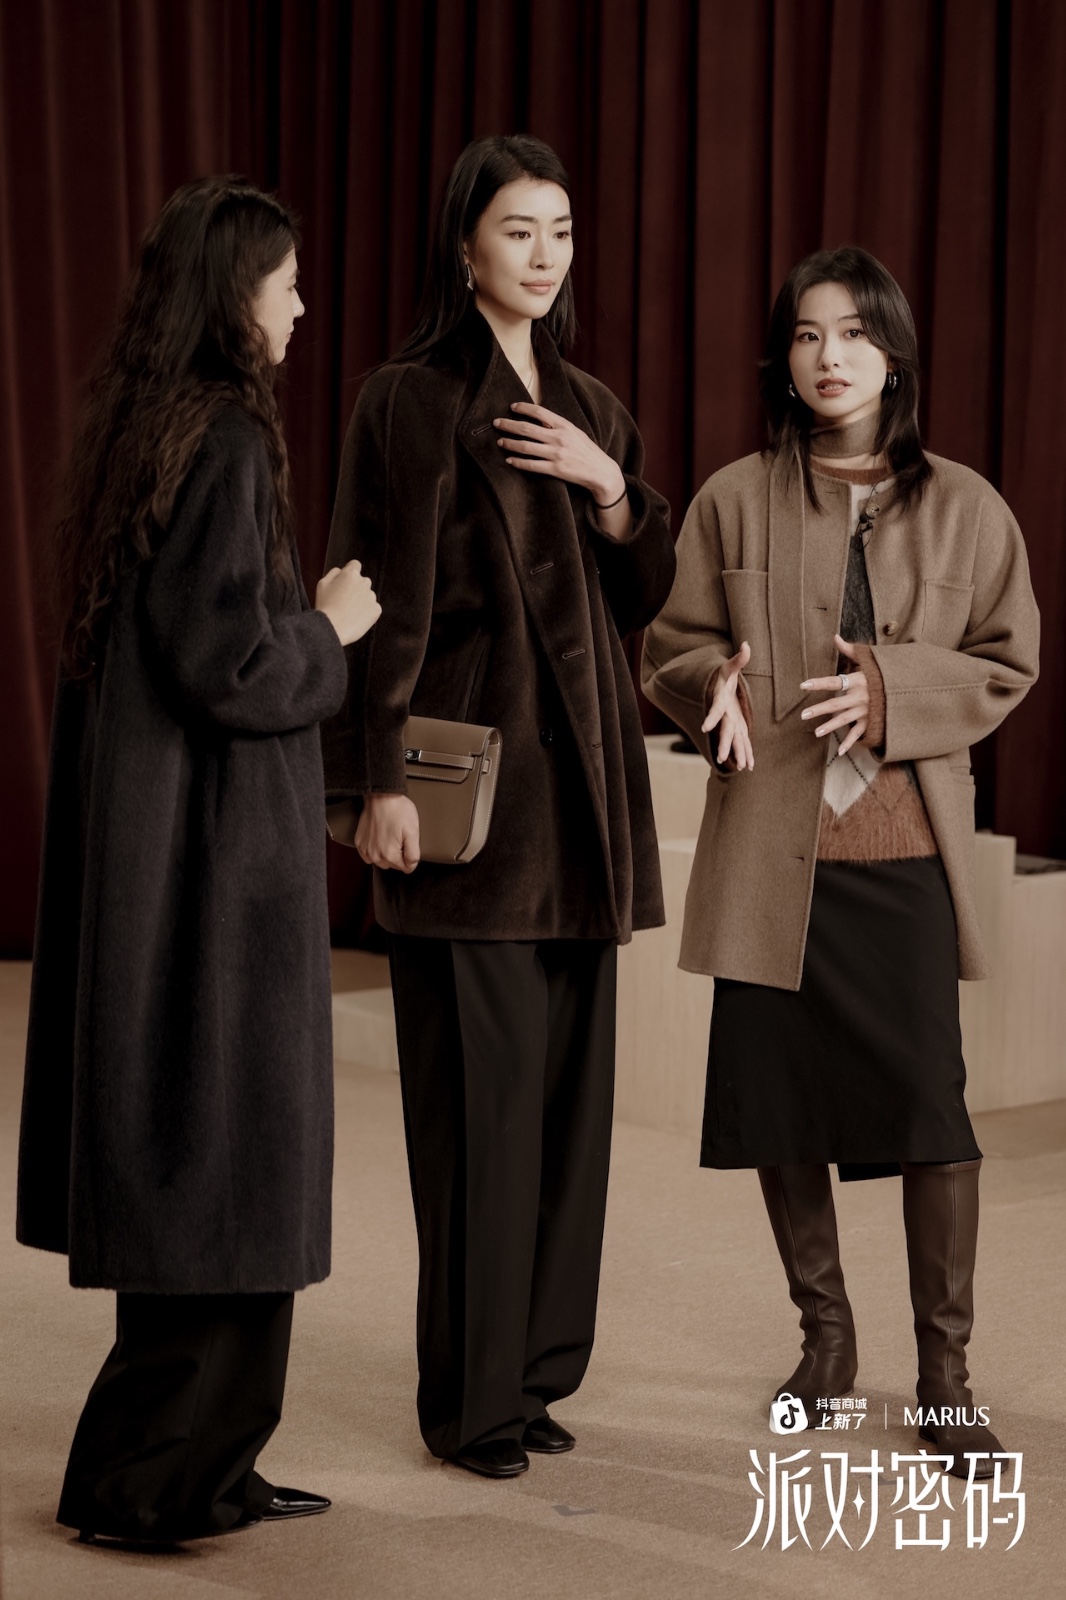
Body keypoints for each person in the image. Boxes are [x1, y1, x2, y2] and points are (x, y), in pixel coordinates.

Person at [16, 175, 381, 1542]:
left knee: (213, 1176)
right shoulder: (223, 439)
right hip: (216, 874)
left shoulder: (150, 428)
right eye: (284, 283)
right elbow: (226, 663)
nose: (301, 304)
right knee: (221, 1171)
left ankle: (211, 1466)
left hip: (177, 858)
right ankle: (147, 1483)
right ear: (235, 296)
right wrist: (330, 629)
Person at [642, 247, 1039, 1478]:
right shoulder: (731, 497)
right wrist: (706, 684)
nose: (830, 357)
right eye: (809, 334)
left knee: (932, 1114)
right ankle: (825, 1340)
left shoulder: (968, 505)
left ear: (894, 356)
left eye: (855, 334)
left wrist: (887, 689)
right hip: (771, 852)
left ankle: (944, 1378)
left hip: (905, 851)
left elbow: (1006, 660)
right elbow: (673, 643)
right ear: (784, 356)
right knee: (780, 1105)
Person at [323, 134, 675, 1479]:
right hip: (464, 803)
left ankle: (533, 1378)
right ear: (465, 245)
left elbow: (644, 598)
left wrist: (611, 489)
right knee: (478, 1118)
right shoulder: (406, 399)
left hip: (584, 806)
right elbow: (370, 601)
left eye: (561, 231)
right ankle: (470, 1402)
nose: (544, 254)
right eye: (518, 229)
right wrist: (367, 786)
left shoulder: (591, 406)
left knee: (568, 1119)